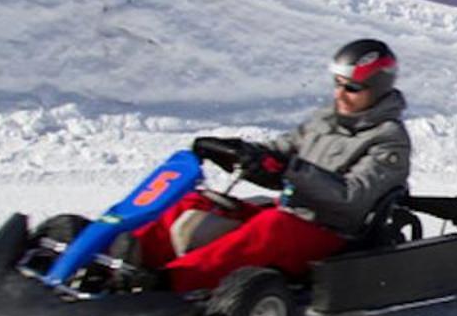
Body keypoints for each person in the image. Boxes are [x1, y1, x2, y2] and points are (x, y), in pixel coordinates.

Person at [129, 38, 412, 293]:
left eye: (352, 88)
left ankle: (170, 281)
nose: (340, 94)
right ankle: (127, 257)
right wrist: (243, 152)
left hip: (334, 234)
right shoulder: (325, 120)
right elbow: (280, 152)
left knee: (271, 225)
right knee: (195, 202)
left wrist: (290, 170)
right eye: (337, 83)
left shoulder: (388, 139)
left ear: (378, 89)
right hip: (292, 213)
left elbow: (352, 197)